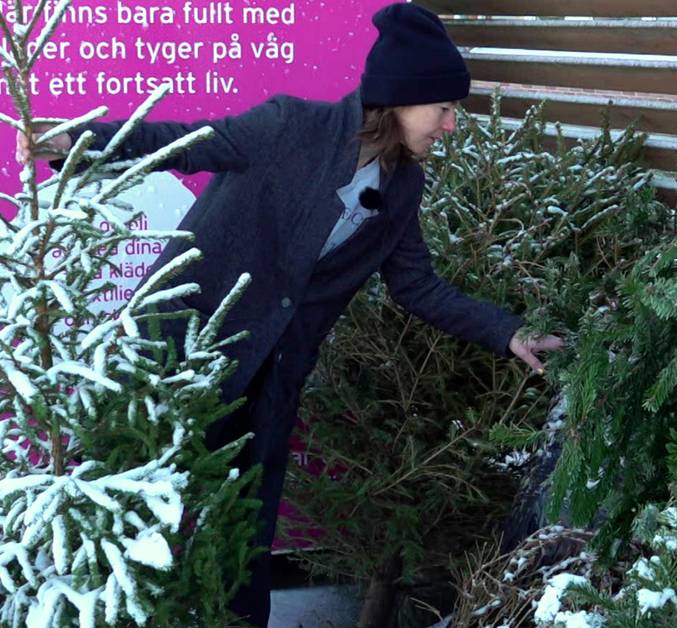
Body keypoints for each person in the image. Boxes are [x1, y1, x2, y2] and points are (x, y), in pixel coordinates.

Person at [20, 4, 562, 625]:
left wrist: (508, 332)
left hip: (272, 383)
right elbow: (189, 142)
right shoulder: (290, 126)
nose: (450, 125)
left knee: (245, 537)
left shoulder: (403, 186)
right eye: (442, 108)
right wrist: (80, 143)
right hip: (182, 360)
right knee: (143, 524)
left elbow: (417, 287)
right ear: (400, 98)